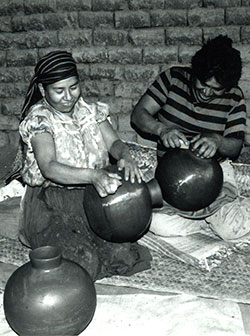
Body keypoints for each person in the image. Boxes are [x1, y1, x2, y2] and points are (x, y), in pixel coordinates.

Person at [17, 50, 152, 281]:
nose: (68, 96)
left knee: (124, 255)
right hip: (51, 203)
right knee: (83, 261)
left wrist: (126, 156)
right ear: (43, 90)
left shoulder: (90, 111)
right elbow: (49, 167)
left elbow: (115, 143)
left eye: (73, 87)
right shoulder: (40, 119)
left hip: (91, 199)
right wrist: (93, 176)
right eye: (58, 91)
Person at [131, 35, 249, 240]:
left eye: (215, 90)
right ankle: (207, 219)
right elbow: (138, 115)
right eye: (203, 84)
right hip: (173, 176)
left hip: (214, 175)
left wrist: (218, 141)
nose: (206, 93)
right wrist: (162, 130)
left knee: (232, 231)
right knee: (156, 224)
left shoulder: (234, 97)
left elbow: (235, 146)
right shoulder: (173, 79)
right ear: (195, 72)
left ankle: (212, 215)